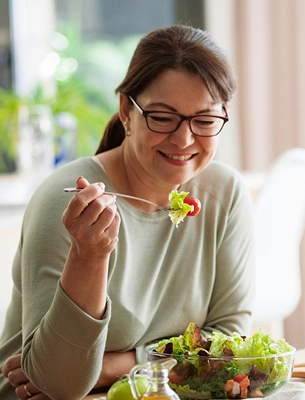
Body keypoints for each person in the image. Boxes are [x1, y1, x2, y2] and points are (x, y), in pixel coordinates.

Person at [0, 24, 255, 400]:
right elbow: (60, 384)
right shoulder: (70, 200)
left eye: (203, 120)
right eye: (162, 117)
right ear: (126, 111)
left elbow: (232, 339)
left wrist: (113, 367)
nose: (184, 139)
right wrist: (91, 255)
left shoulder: (224, 192)